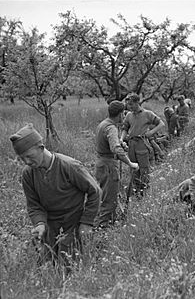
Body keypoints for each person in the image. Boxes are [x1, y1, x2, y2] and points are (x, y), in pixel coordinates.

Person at [9, 123, 101, 270]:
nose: (27, 162)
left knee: (68, 266)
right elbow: (34, 205)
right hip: (50, 226)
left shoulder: (69, 166)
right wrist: (39, 224)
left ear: (41, 148)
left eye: (29, 156)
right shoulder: (28, 173)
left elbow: (94, 191)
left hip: (72, 223)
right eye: (22, 159)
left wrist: (86, 222)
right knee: (46, 266)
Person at [95, 101, 139, 228]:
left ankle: (110, 223)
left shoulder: (103, 124)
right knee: (110, 199)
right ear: (120, 114)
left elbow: (110, 144)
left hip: (101, 163)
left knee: (106, 195)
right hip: (108, 166)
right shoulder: (111, 128)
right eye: (123, 113)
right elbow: (115, 148)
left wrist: (120, 144)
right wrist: (130, 163)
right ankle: (102, 229)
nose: (124, 116)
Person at [120, 93, 165, 198]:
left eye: (131, 104)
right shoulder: (129, 115)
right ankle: (136, 190)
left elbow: (161, 124)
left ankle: (145, 191)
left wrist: (151, 133)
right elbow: (125, 128)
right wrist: (121, 139)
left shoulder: (147, 114)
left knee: (144, 169)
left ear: (137, 102)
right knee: (133, 167)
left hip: (142, 144)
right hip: (131, 144)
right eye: (128, 105)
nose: (129, 107)